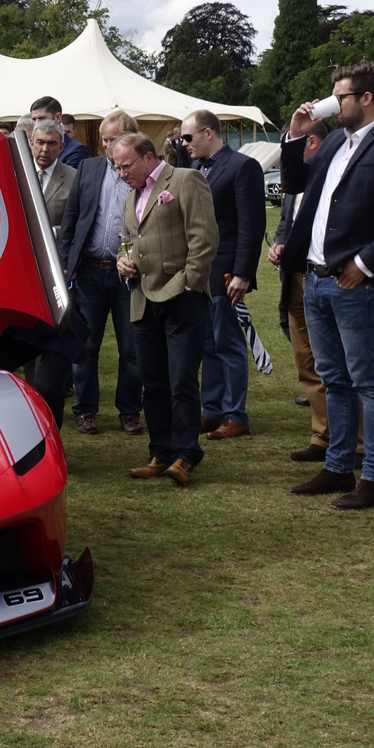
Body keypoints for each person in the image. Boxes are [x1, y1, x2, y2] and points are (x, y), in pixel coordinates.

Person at [280, 61, 374, 510]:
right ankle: (339, 467)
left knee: (369, 382)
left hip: (355, 285)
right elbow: (293, 183)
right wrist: (294, 135)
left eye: (340, 96)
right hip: (316, 280)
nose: (333, 102)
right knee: (334, 380)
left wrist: (365, 263)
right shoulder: (333, 145)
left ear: (365, 98)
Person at [113, 133, 218, 487]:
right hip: (143, 299)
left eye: (126, 165)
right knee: (152, 382)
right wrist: (122, 262)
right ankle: (159, 451)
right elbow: (127, 242)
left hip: (182, 299)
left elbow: (204, 240)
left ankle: (186, 455)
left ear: (148, 158)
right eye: (117, 167)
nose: (121, 172)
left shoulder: (186, 180)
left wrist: (185, 284)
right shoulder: (131, 198)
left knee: (182, 381)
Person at [269, 117, 362, 464]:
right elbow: (286, 221)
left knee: (346, 368)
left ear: (312, 143)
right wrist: (280, 243)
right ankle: (324, 436)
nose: (289, 153)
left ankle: (356, 444)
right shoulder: (302, 178)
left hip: (333, 277)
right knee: (307, 362)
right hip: (296, 275)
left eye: (295, 144)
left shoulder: (342, 173)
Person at [57, 111, 144, 437]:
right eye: (104, 140)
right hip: (90, 273)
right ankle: (85, 411)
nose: (107, 146)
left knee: (131, 347)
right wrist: (66, 261)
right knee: (86, 346)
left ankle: (130, 411)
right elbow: (72, 218)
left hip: (129, 277)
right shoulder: (90, 168)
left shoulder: (144, 174)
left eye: (114, 139)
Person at [179, 109, 264, 440]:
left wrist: (243, 273)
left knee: (228, 342)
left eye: (188, 137)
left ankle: (236, 413)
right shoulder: (195, 169)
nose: (183, 143)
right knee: (207, 344)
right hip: (200, 272)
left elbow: (251, 225)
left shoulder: (243, 167)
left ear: (208, 133)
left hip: (228, 272)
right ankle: (212, 410)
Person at [30, 121, 75, 231]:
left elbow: (78, 223)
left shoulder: (75, 178)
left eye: (51, 144)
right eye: (40, 142)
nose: (45, 149)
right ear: (31, 144)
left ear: (61, 147)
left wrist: (53, 233)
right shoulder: (16, 174)